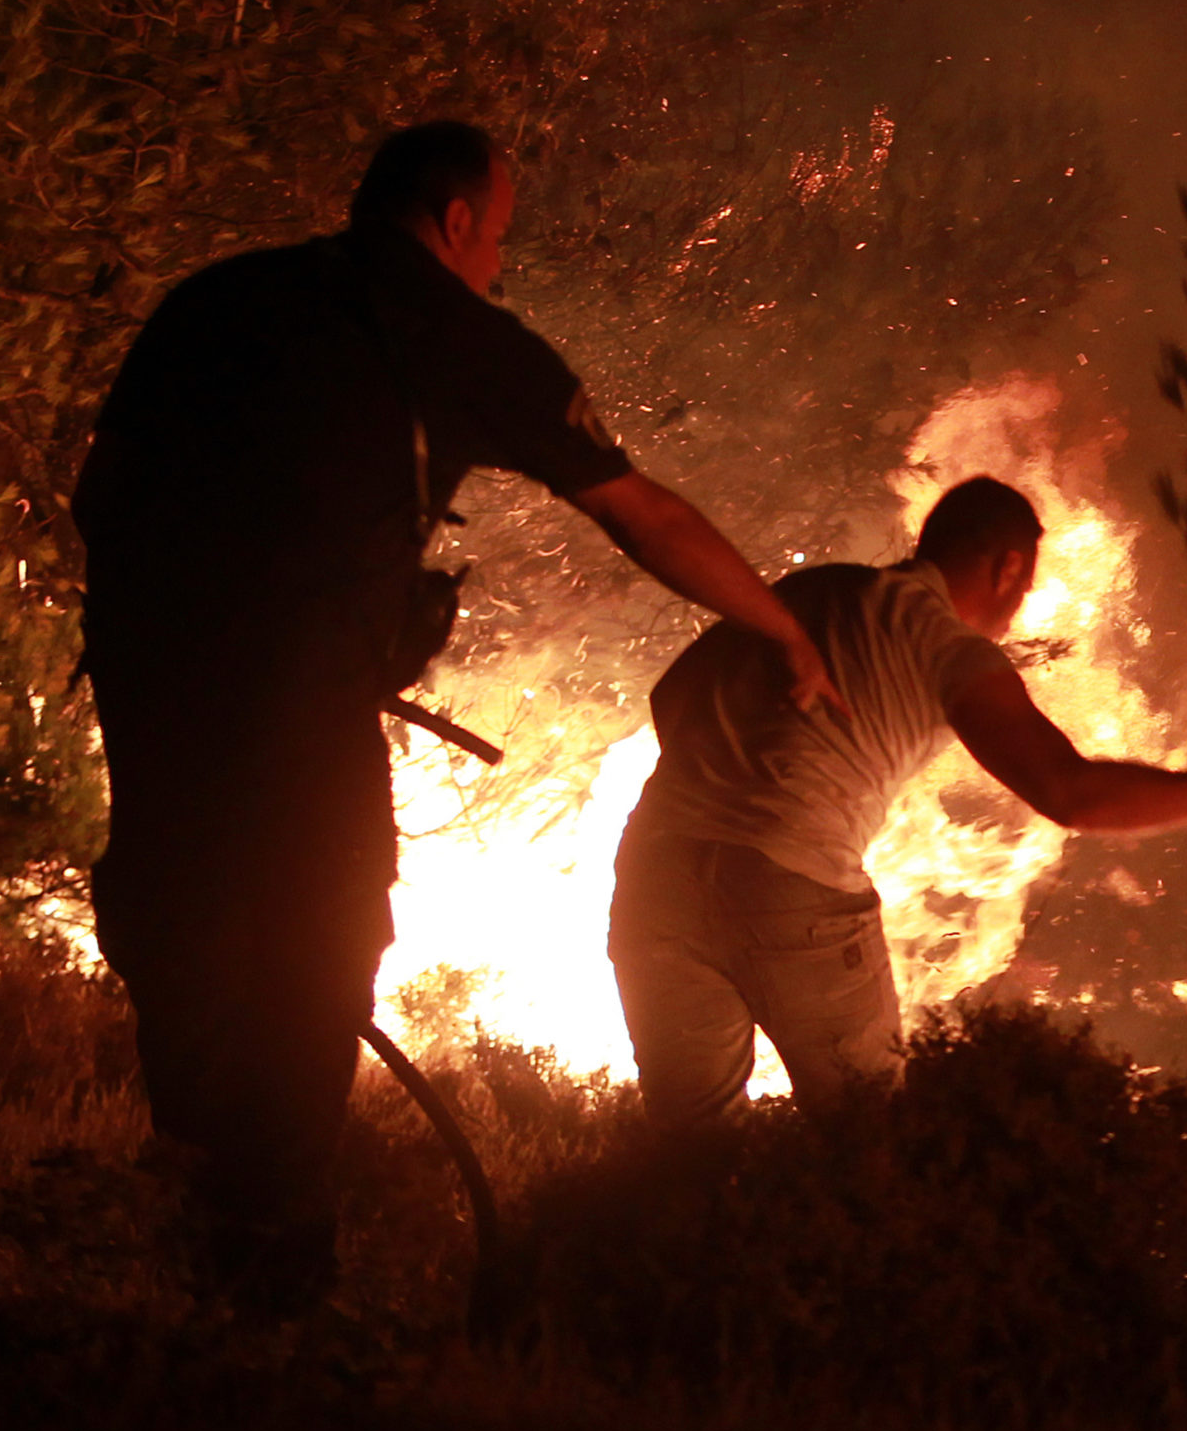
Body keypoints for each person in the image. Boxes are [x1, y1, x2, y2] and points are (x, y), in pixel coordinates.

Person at [74, 120, 840, 1309]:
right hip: (294, 706)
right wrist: (779, 626)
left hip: (147, 685)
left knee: (183, 943)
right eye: (499, 240)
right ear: (452, 223)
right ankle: (269, 1279)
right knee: (318, 956)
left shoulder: (218, 298)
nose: (501, 267)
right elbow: (645, 516)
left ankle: (183, 1222)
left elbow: (102, 486)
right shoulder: (457, 338)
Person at [611, 475, 1187, 1127]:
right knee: (869, 1135)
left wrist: (735, 768)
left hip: (652, 873)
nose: (1016, 613)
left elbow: (669, 695)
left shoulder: (812, 590)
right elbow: (1069, 795)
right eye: (1025, 587)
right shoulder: (946, 647)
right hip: (791, 886)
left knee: (695, 1146)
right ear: (1007, 566)